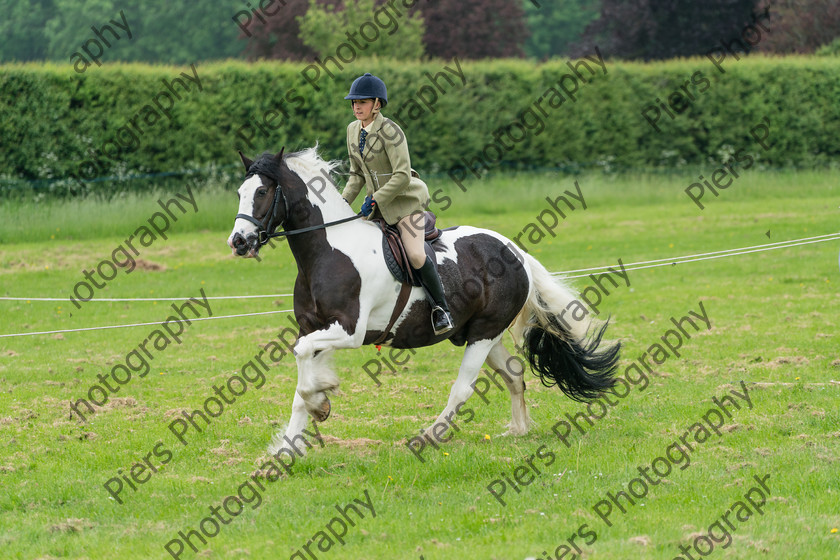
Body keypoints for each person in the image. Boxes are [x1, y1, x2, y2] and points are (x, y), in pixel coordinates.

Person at [341, 72, 454, 335]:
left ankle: (442, 309)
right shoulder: (352, 130)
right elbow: (356, 174)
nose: (357, 106)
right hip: (377, 207)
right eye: (354, 102)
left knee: (415, 254)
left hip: (406, 204)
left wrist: (375, 200)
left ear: (377, 104)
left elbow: (402, 176)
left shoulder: (391, 131)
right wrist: (343, 202)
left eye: (363, 102)